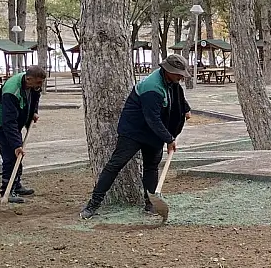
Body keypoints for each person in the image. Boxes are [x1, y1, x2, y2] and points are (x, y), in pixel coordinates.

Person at [80, 54, 192, 220]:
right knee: (115, 165)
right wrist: (169, 139)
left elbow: (178, 97)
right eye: (178, 74)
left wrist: (186, 109)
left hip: (154, 133)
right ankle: (93, 204)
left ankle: (150, 203)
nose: (181, 78)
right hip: (134, 131)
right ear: (167, 70)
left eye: (182, 74)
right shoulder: (152, 88)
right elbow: (151, 118)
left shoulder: (172, 82)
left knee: (151, 167)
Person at [0, 64, 46, 203]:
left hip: (13, 123)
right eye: (38, 82)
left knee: (17, 154)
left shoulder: (34, 85)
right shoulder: (11, 91)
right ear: (29, 79)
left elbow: (35, 98)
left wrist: (33, 112)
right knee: (10, 156)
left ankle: (16, 185)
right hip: (0, 124)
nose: (40, 85)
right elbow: (8, 121)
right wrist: (16, 144)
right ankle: (7, 190)